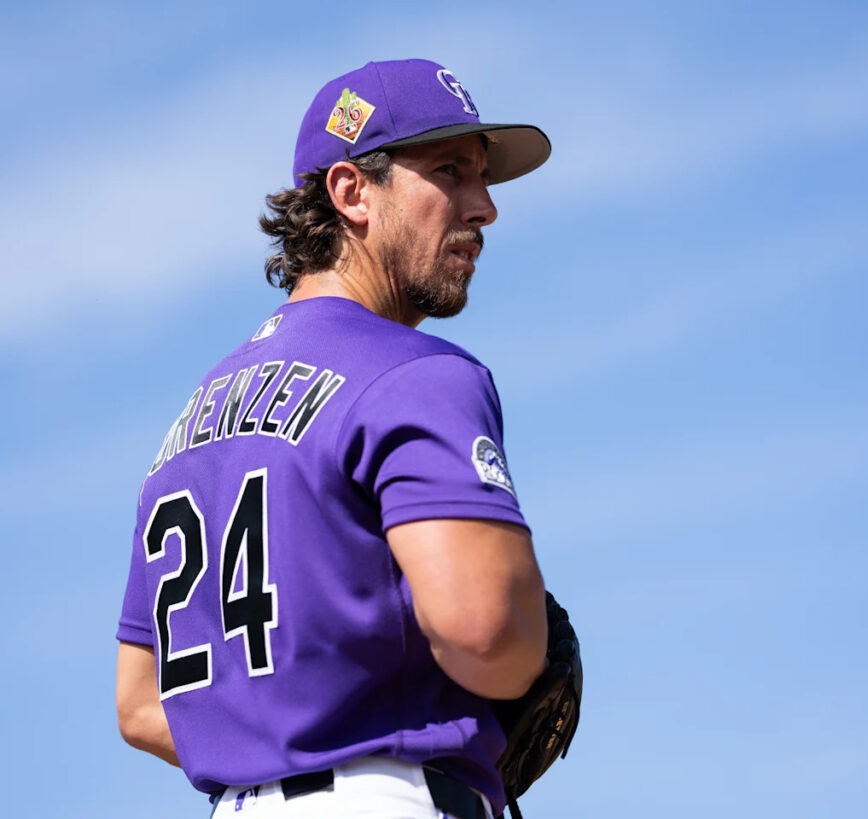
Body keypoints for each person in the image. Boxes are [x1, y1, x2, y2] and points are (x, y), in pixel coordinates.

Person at [115, 58, 553, 819]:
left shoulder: (187, 427)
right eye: (450, 171)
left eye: (482, 177)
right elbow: (487, 636)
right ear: (352, 192)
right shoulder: (416, 372)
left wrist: (283, 735)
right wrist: (525, 646)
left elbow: (140, 703)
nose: (484, 207)